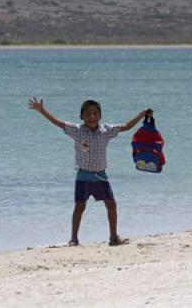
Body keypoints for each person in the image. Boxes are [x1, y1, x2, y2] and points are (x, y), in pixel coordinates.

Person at [28, 97, 152, 246]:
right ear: (81, 117)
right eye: (88, 114)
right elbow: (58, 123)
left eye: (95, 113)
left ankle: (113, 237)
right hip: (83, 176)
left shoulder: (106, 131)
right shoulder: (77, 131)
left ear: (100, 116)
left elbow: (126, 126)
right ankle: (74, 238)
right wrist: (42, 111)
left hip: (101, 176)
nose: (91, 117)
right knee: (80, 207)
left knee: (111, 205)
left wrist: (141, 115)